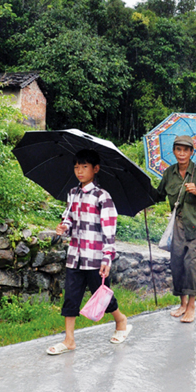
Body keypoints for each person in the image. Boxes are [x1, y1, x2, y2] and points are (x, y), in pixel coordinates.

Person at [46, 149, 131, 355]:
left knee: (101, 295)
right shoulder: (72, 194)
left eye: (84, 167)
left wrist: (107, 258)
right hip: (75, 255)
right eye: (76, 167)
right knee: (71, 296)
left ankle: (120, 320)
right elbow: (69, 219)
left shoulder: (103, 197)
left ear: (96, 169)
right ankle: (69, 340)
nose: (79, 171)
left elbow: (109, 231)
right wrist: (64, 227)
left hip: (95, 257)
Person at [156, 135, 196, 323]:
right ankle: (182, 303)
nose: (181, 153)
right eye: (178, 149)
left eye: (185, 150)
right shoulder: (169, 173)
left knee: (191, 264)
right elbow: (158, 194)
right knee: (177, 264)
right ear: (173, 151)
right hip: (178, 226)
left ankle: (191, 306)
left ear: (192, 152)